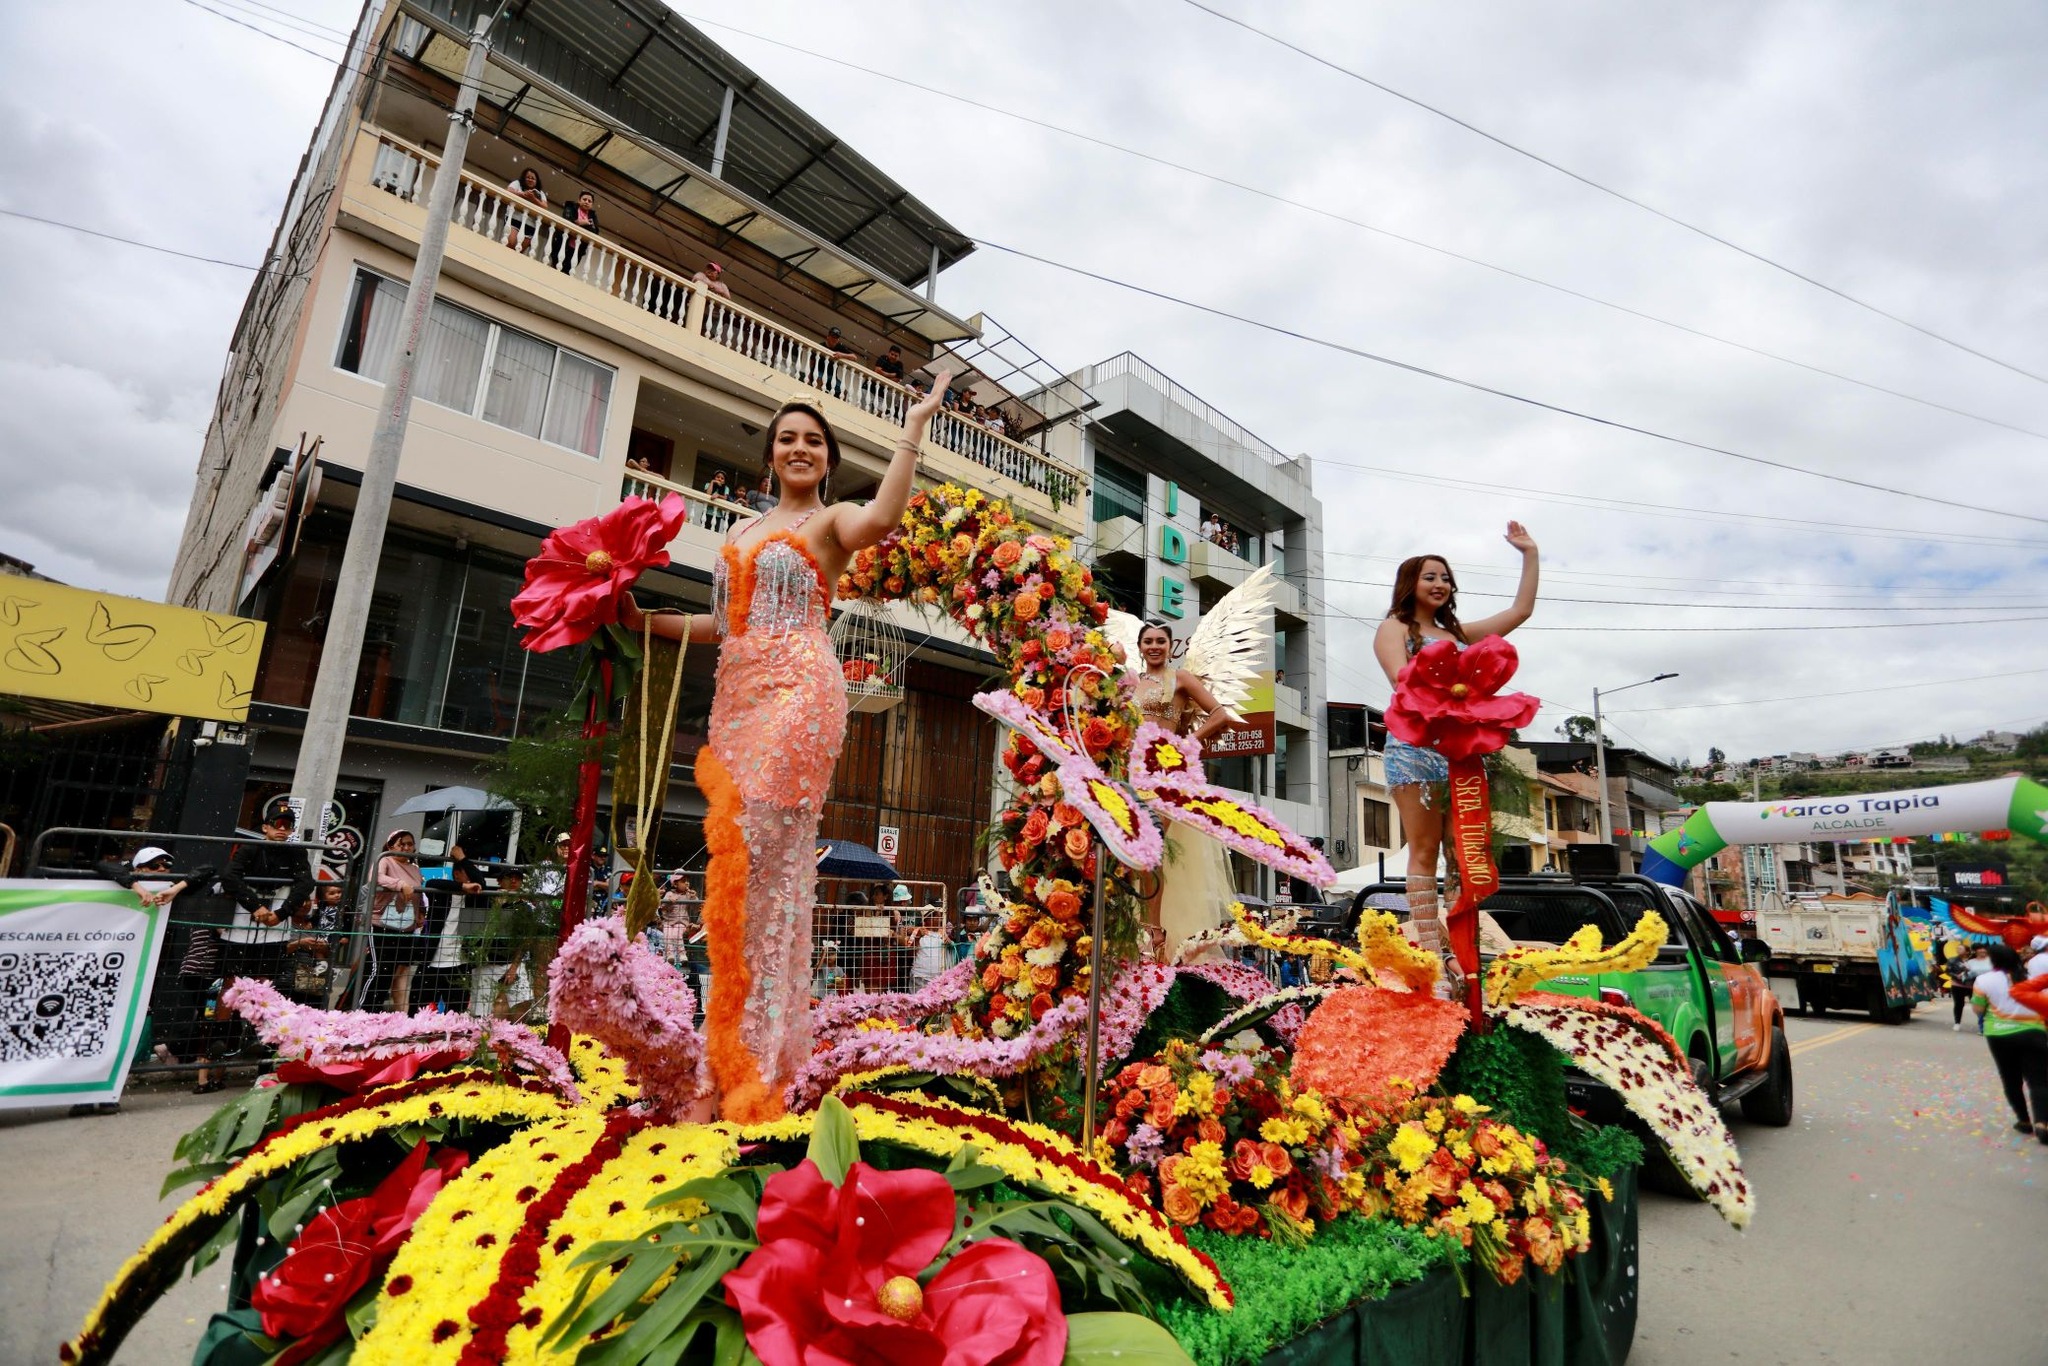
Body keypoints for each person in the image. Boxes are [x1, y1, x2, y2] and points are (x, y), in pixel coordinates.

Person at [620, 368, 952, 1120]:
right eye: (786, 439)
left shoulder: (831, 521)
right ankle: (734, 1052)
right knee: (736, 875)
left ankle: (755, 1071)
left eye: (813, 441)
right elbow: (722, 626)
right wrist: (644, 621)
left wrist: (913, 428)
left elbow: (885, 520)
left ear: (828, 459)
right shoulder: (739, 532)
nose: (799, 449)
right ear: (769, 456)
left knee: (767, 864)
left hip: (801, 695)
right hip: (738, 699)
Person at [1371, 523, 1540, 989]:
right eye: (1430, 576)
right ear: (1411, 583)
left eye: (1445, 577)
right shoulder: (1395, 628)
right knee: (1424, 851)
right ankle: (1431, 955)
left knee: (1462, 855)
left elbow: (1520, 611)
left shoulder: (1459, 632)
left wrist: (1529, 554)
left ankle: (1463, 954)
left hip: (1461, 756)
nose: (1440, 584)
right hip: (1415, 752)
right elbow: (1402, 683)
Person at [1132, 619, 1235, 958]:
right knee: (1131, 855)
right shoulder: (1131, 682)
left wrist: (1187, 743)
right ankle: (1137, 928)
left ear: (1171, 646)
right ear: (1140, 646)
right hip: (1135, 773)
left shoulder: (1181, 679)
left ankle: (1154, 932)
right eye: (1148, 641)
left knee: (1151, 848)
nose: (1154, 646)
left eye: (1161, 640)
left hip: (1170, 776)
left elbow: (1220, 715)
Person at [220, 808, 316, 1011]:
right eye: (276, 824)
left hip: (276, 924)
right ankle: (222, 1034)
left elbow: (306, 883)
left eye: (287, 825)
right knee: (232, 981)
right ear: (265, 827)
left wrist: (282, 913)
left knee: (266, 981)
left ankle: (256, 1032)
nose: (281, 829)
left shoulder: (296, 851)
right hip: (241, 923)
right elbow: (229, 876)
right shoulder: (250, 848)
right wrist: (255, 906)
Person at [1971, 943, 2048, 1143]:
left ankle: (2024, 1121)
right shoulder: (2032, 979)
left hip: (1999, 1035)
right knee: (2039, 1080)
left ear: (1994, 960)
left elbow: (1977, 1010)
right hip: (2035, 1033)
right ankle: (2043, 1122)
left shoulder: (1983, 980)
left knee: (2011, 1079)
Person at [370, 829, 426, 1012]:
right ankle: (368, 1010)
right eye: (402, 843)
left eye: (410, 843)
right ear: (391, 845)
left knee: (401, 971)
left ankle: (400, 1013)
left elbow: (418, 893)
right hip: (383, 924)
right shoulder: (384, 860)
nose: (407, 847)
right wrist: (400, 884)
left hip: (407, 927)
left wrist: (420, 914)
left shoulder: (415, 869)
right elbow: (376, 878)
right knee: (381, 971)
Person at [904, 910, 948, 993]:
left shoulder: (942, 933)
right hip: (920, 977)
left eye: (939, 916)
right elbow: (910, 953)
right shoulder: (918, 931)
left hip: (938, 979)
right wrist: (918, 937)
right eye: (934, 916)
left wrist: (949, 941)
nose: (938, 919)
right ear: (926, 920)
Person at [558, 188, 600, 274]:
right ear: (579, 200)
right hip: (564, 244)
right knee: (557, 267)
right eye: (584, 199)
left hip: (578, 249)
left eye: (589, 201)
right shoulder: (571, 208)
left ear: (592, 205)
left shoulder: (592, 216)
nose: (587, 202)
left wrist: (581, 223)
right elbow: (567, 220)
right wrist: (581, 222)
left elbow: (595, 232)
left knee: (568, 272)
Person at [505, 167, 548, 251]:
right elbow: (508, 191)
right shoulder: (517, 183)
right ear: (524, 178)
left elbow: (545, 207)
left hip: (530, 224)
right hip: (514, 218)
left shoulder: (540, 193)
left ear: (536, 181)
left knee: (519, 250)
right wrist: (523, 194)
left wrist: (533, 199)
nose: (530, 179)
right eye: (528, 177)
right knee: (510, 243)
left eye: (533, 178)